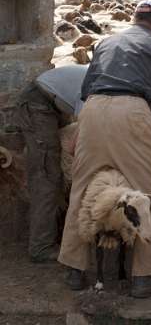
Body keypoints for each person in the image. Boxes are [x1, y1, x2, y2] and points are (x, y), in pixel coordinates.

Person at [58, 0, 151, 297]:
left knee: (82, 189)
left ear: (135, 18)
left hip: (94, 111)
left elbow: (86, 91)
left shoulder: (106, 40)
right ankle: (145, 275)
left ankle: (74, 270)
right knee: (149, 193)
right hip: (133, 110)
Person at [15, 65, 89, 263]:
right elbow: (78, 142)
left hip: (54, 104)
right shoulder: (97, 87)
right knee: (47, 175)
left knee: (58, 175)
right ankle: (41, 246)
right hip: (38, 103)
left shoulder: (106, 83)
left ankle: (55, 235)